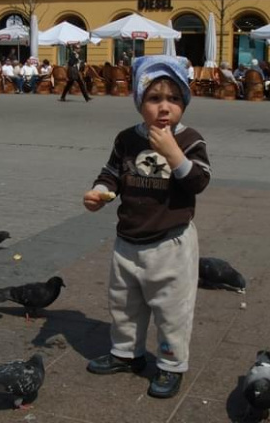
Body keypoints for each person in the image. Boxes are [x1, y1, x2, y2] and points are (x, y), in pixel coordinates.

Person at [83, 55, 211, 399]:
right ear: (140, 102)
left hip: (171, 244)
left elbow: (198, 181)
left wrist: (174, 154)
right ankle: (127, 354)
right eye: (154, 99)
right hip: (127, 241)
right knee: (124, 304)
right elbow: (112, 172)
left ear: (184, 102)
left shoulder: (190, 140)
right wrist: (100, 191)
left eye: (174, 98)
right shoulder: (127, 139)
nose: (164, 107)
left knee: (172, 311)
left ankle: (170, 365)